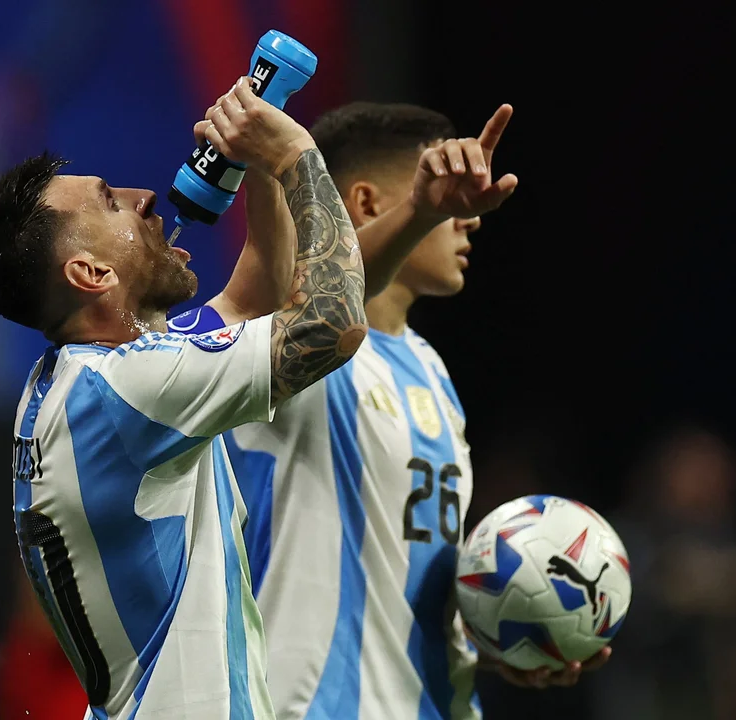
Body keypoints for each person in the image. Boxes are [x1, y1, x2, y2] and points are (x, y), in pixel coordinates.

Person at [172, 101, 612, 718]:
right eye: (436, 193)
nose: (469, 220)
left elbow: (399, 580)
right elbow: (330, 306)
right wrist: (422, 209)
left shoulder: (430, 369)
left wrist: (514, 629)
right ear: (369, 202)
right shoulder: (286, 347)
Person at [0, 75, 368, 719]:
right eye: (111, 202)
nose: (144, 197)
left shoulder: (80, 382)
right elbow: (333, 323)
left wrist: (256, 162)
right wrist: (294, 154)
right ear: (89, 274)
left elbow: (255, 293)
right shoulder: (130, 388)